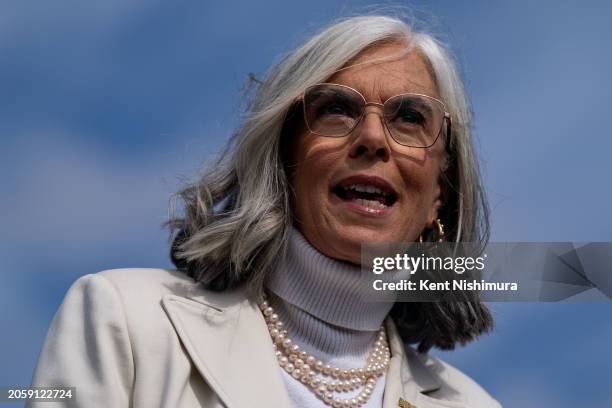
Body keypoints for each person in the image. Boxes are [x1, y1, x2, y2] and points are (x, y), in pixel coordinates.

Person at [29, 14, 501, 408]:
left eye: (410, 117)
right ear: (283, 161)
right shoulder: (125, 323)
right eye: (336, 109)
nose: (373, 139)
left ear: (439, 192)